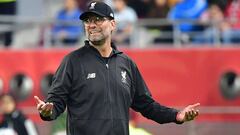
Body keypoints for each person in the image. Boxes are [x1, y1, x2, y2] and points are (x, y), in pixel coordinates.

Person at [34, 1, 200, 135]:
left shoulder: (126, 63)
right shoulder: (72, 61)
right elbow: (55, 103)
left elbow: (147, 105)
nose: (91, 25)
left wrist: (177, 115)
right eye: (88, 21)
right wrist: (48, 111)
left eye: (98, 19)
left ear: (113, 24)